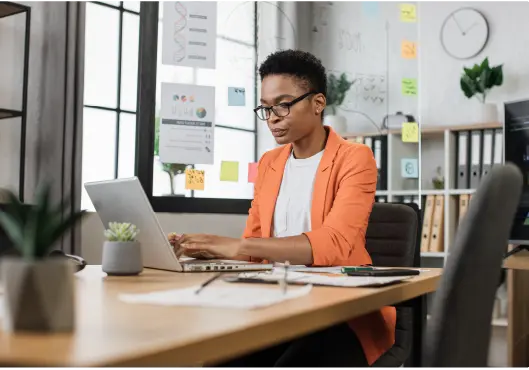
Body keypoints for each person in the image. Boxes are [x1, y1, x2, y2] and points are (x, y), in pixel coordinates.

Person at [169, 49, 395, 367]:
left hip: (339, 314)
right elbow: (254, 249)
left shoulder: (355, 158)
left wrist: (238, 244)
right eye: (266, 108)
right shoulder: (270, 163)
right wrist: (206, 247)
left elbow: (334, 242)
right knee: (212, 359)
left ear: (317, 103)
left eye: (283, 105)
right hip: (277, 304)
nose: (273, 117)